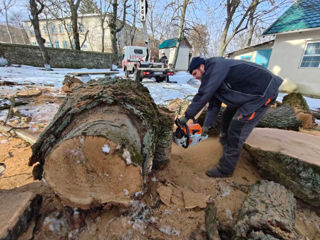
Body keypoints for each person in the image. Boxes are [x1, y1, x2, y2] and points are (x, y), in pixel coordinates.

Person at [178, 57, 283, 178]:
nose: (195, 77)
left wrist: (187, 116)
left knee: (237, 128)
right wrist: (207, 126)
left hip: (263, 93)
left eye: (195, 73)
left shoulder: (216, 67)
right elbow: (213, 104)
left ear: (202, 67)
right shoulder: (213, 76)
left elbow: (203, 94)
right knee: (227, 116)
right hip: (247, 95)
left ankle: (226, 169)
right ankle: (225, 148)